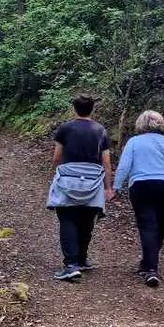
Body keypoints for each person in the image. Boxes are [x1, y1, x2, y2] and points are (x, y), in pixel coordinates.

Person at [113, 110, 164, 288]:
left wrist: (116, 187)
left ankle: (151, 268)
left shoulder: (134, 142)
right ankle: (148, 263)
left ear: (140, 124)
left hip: (142, 186)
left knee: (148, 226)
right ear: (161, 124)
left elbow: (124, 167)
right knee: (160, 225)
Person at [46, 96, 113, 282]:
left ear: (74, 108)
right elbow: (106, 162)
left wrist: (56, 175)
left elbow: (57, 157)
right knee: (87, 217)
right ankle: (82, 259)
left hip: (68, 178)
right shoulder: (101, 131)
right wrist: (108, 187)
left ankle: (71, 265)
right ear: (93, 109)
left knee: (67, 217)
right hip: (93, 180)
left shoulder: (65, 129)